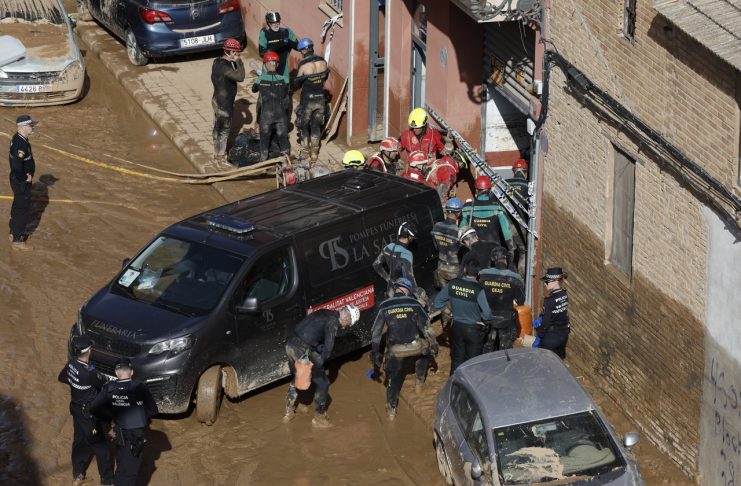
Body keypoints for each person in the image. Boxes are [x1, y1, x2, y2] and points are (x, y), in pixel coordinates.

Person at [283, 305, 360, 427]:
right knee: (323, 382)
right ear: (347, 317)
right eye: (349, 324)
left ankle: (289, 412)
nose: (346, 327)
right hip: (301, 350)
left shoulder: (325, 312)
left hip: (290, 344)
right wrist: (319, 364)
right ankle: (319, 418)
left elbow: (311, 331)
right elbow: (328, 350)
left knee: (299, 375)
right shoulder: (333, 322)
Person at [370, 278, 437, 419]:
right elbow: (426, 327)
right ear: (407, 290)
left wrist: (375, 352)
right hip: (415, 346)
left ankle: (391, 410)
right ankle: (419, 384)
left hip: (397, 351)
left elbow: (375, 332)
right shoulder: (414, 303)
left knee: (394, 380)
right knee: (424, 353)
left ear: (396, 289)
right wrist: (434, 344)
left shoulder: (384, 305)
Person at [90, 359, 158, 486]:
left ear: (116, 372)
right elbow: (153, 409)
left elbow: (94, 408)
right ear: (131, 372)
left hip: (120, 433)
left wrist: (109, 417)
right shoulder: (140, 387)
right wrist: (140, 417)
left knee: (122, 465)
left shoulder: (108, 388)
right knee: (131, 472)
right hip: (136, 435)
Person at [58, 336, 114, 486]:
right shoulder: (89, 373)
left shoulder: (71, 364)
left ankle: (77, 475)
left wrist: (76, 384)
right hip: (89, 415)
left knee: (79, 442)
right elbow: (104, 383)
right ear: (89, 351)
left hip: (76, 409)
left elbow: (62, 378)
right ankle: (107, 481)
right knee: (101, 448)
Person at [432, 260, 492, 374]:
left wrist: (448, 312)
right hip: (473, 329)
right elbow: (487, 313)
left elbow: (438, 301)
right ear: (478, 273)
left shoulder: (453, 283)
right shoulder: (479, 289)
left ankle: (454, 384)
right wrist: (485, 321)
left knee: (457, 359)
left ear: (464, 269)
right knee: (473, 361)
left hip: (456, 327)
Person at [460, 175, 516, 265]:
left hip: (474, 250)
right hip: (494, 251)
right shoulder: (498, 207)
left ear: (476, 190)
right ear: (490, 190)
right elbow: (507, 231)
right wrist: (511, 248)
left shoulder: (467, 207)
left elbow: (461, 230)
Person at [479, 246, 525, 352]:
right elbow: (521, 301)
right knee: (505, 351)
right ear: (506, 259)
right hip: (506, 319)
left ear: (492, 259)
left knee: (486, 348)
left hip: (487, 318)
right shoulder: (515, 278)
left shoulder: (482, 275)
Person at [293, 38, 329, 161]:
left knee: (303, 126)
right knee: (316, 126)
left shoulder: (304, 65)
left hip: (307, 101)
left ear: (303, 50)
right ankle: (314, 153)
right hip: (320, 99)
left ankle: (304, 153)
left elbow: (297, 83)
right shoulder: (323, 62)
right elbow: (325, 77)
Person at [210, 38, 245, 163]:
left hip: (216, 100)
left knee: (217, 126)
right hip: (225, 104)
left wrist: (234, 61)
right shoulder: (226, 68)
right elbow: (240, 77)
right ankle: (220, 155)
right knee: (224, 131)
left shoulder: (216, 62)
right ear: (229, 52)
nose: (238, 55)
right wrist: (239, 61)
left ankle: (215, 149)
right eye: (236, 53)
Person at [252, 51, 290, 161]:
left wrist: (261, 77)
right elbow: (285, 92)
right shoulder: (284, 79)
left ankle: (263, 162)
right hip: (281, 115)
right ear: (277, 65)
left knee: (264, 140)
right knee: (283, 139)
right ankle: (286, 162)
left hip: (266, 116)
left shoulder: (260, 79)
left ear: (265, 65)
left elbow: (254, 89)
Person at [8, 115, 37, 250]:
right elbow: (16, 165)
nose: (33, 127)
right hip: (21, 182)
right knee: (22, 210)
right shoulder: (21, 143)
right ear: (23, 127)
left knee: (17, 206)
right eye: (31, 125)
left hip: (16, 180)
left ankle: (13, 232)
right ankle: (18, 240)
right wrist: (24, 178)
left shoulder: (18, 138)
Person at [372, 221, 421, 299]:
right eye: (412, 237)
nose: (413, 239)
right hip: (403, 291)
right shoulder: (407, 254)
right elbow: (410, 277)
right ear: (409, 237)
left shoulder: (388, 247)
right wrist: (419, 297)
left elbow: (376, 265)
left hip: (391, 291)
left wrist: (387, 278)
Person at [534, 267, 570, 359]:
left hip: (551, 337)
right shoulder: (564, 294)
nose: (545, 284)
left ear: (556, 281)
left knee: (544, 361)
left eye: (547, 282)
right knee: (559, 360)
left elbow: (546, 321)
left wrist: (539, 332)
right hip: (564, 334)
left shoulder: (549, 301)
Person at [258, 11, 297, 79]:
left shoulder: (287, 32)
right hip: (268, 66)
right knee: (267, 87)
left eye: (277, 22)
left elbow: (298, 47)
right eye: (273, 23)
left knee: (284, 88)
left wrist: (289, 41)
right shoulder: (264, 33)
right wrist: (281, 43)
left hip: (283, 66)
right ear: (268, 23)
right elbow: (262, 53)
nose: (276, 25)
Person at [506, 158, 529, 275]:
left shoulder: (505, 183)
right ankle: (520, 277)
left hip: (504, 224)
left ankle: (506, 273)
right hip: (519, 225)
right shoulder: (527, 185)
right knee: (523, 251)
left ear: (513, 171)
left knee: (508, 250)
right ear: (525, 172)